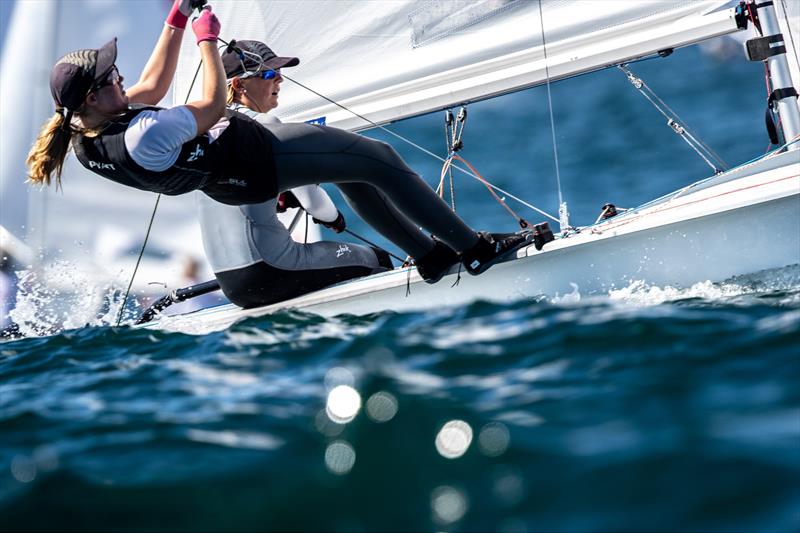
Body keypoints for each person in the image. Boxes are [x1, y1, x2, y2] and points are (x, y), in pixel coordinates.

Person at [26, 1, 531, 291]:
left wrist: (177, 15)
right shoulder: (140, 134)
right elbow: (209, 105)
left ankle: (433, 255)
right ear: (93, 96)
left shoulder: (86, 132)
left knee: (356, 171)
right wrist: (206, 38)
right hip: (251, 159)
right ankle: (473, 249)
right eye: (112, 76)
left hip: (232, 176)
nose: (122, 75)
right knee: (380, 160)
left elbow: (154, 86)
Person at [197, 40, 393, 307]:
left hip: (233, 286)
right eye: (268, 74)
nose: (279, 80)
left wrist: (280, 193)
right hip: (273, 270)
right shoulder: (265, 127)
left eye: (279, 73)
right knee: (377, 258)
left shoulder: (204, 131)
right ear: (238, 85)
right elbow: (315, 203)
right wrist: (334, 219)